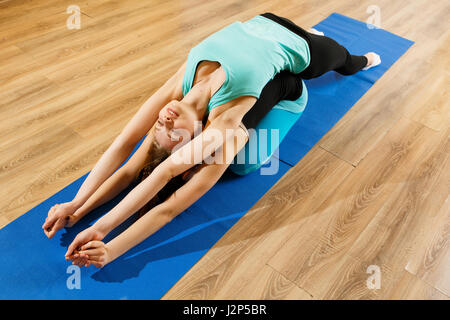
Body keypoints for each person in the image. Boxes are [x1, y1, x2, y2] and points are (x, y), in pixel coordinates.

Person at [42, 12, 380, 268]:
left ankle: (355, 59)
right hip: (296, 73)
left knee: (347, 62)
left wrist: (78, 203)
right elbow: (166, 195)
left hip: (267, 21)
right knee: (243, 163)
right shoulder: (226, 122)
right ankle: (355, 58)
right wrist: (108, 242)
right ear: (198, 135)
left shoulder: (182, 82)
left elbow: (124, 150)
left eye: (158, 126)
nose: (164, 120)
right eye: (172, 134)